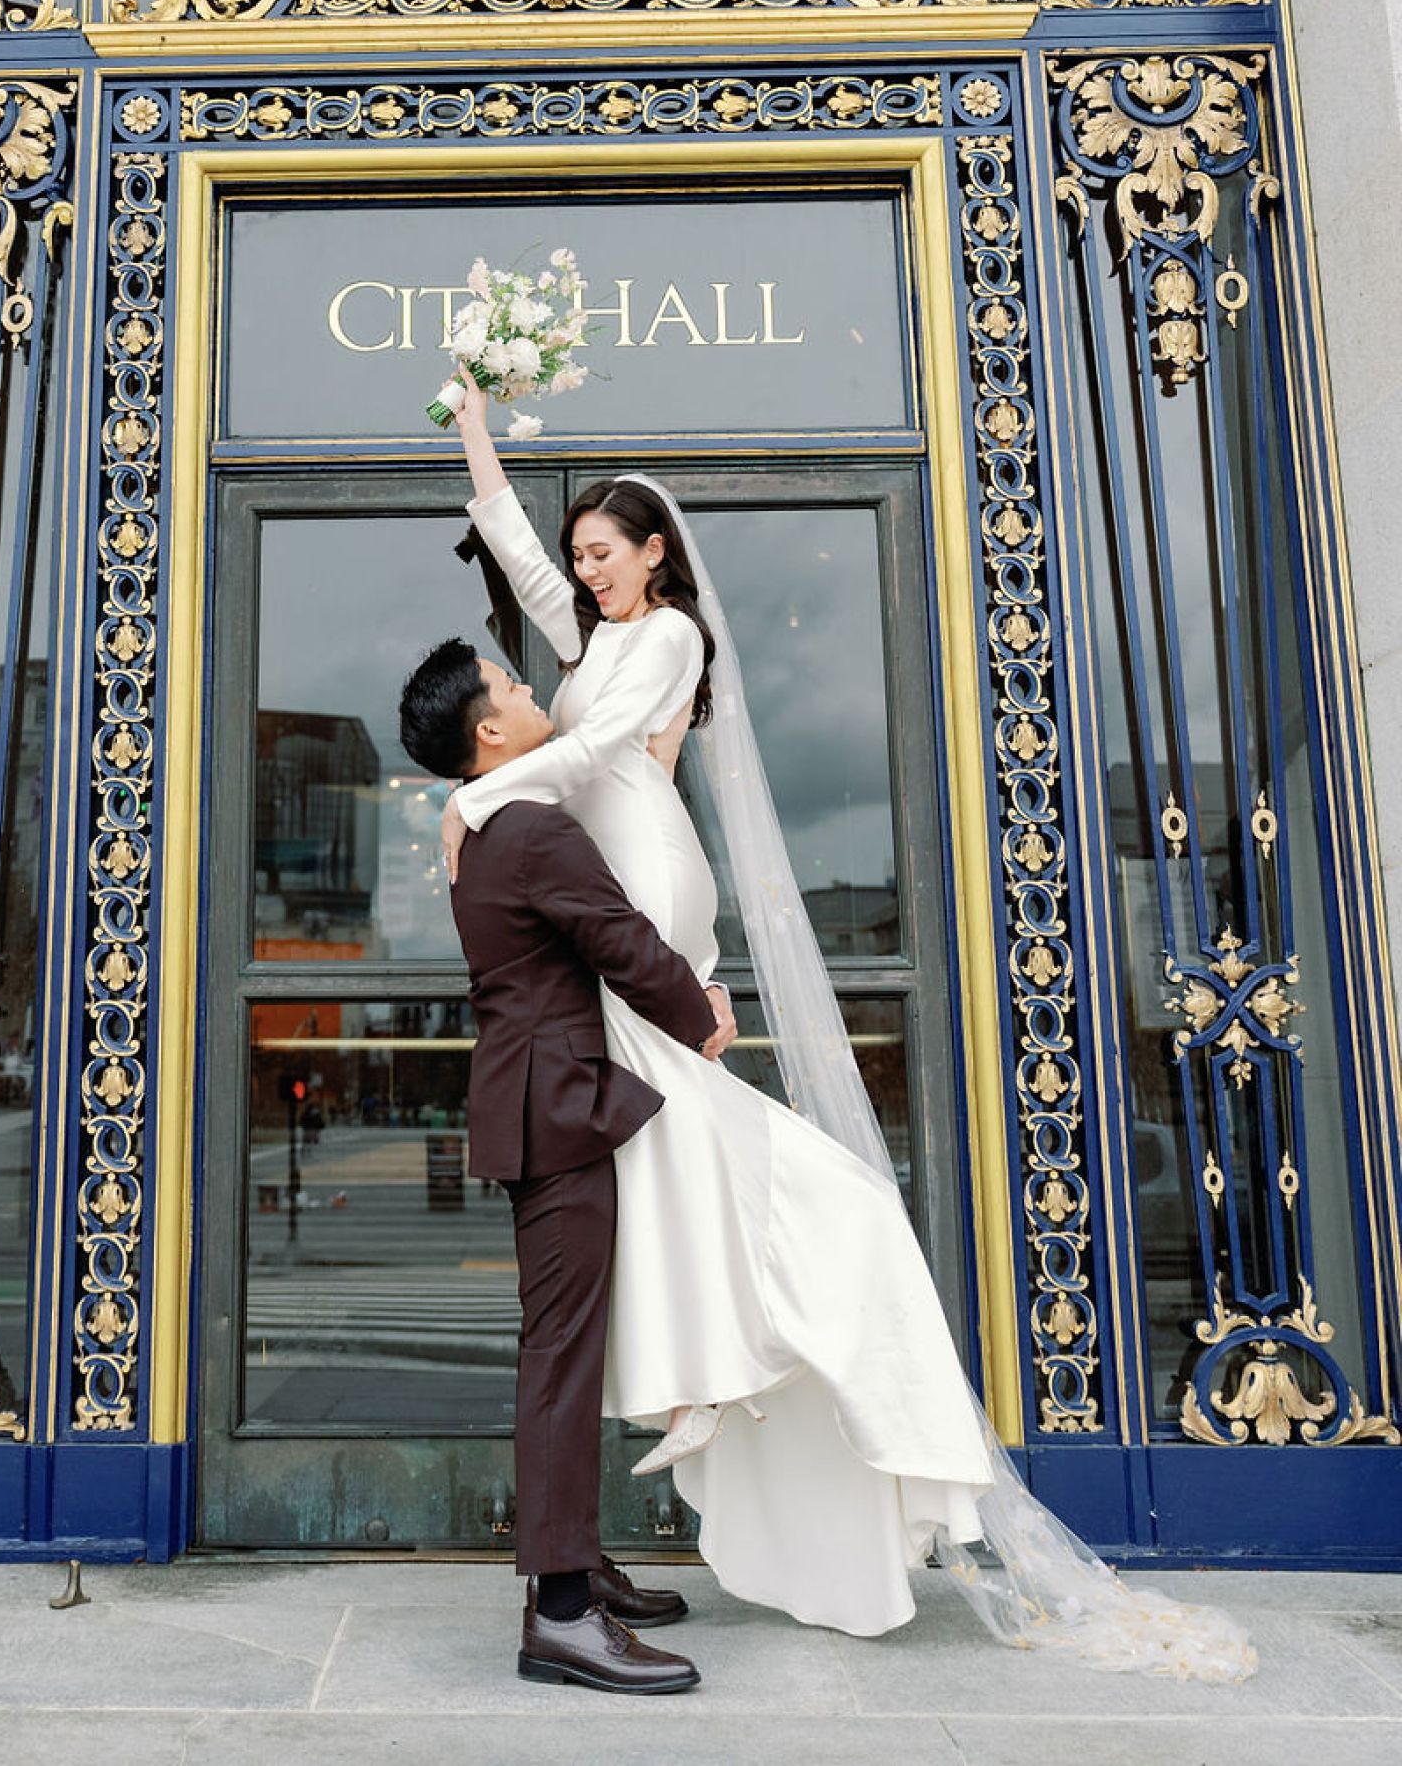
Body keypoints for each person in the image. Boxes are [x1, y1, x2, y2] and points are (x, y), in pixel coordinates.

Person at [432, 374, 1257, 1681]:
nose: (585, 575)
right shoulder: (590, 646)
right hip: (629, 947)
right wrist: (478, 433)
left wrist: (479, 801)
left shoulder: (666, 647)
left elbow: (586, 766)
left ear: (657, 554)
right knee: (705, 1206)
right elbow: (523, 562)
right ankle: (682, 1426)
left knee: (726, 1197)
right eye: (581, 558)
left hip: (646, 905)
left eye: (606, 552)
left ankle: (717, 1408)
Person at [397, 637, 733, 1693]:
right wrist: (703, 1019)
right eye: (510, 684)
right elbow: (621, 943)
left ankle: (577, 1561)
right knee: (560, 1355)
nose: (531, 688)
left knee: (568, 1341)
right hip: (557, 1111)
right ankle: (563, 1611)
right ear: (488, 733)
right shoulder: (532, 829)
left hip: (545, 1103)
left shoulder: (492, 826)